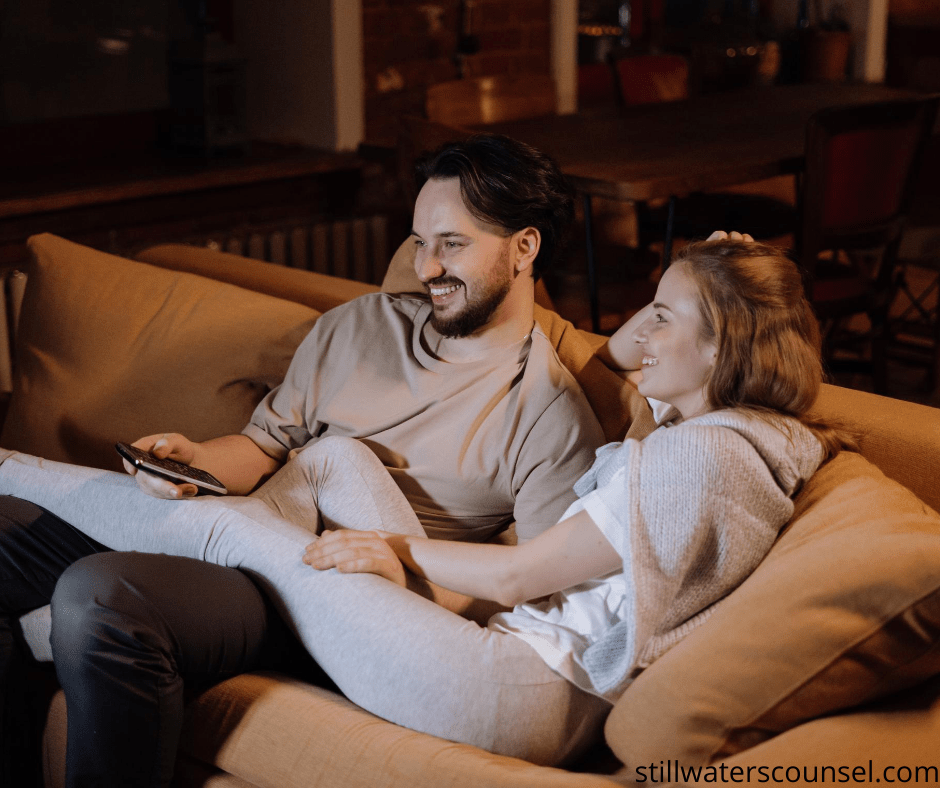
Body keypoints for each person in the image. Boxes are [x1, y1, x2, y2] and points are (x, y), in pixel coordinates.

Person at [5, 235, 848, 779]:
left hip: (520, 691)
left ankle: (17, 475)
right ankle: (156, 596)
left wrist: (394, 551)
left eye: (664, 315)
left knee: (231, 525)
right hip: (524, 664)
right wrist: (710, 264)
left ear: (721, 344)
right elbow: (624, 354)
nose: (643, 332)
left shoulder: (706, 453)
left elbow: (521, 574)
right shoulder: (721, 425)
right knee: (335, 456)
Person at [0, 134, 607, 787]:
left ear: (524, 247)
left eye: (452, 244)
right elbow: (263, 448)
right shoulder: (359, 327)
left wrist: (406, 568)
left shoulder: (549, 417)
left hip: (331, 596)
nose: (428, 267)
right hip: (254, 520)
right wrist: (194, 459)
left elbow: (530, 593)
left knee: (101, 594)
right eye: (419, 242)